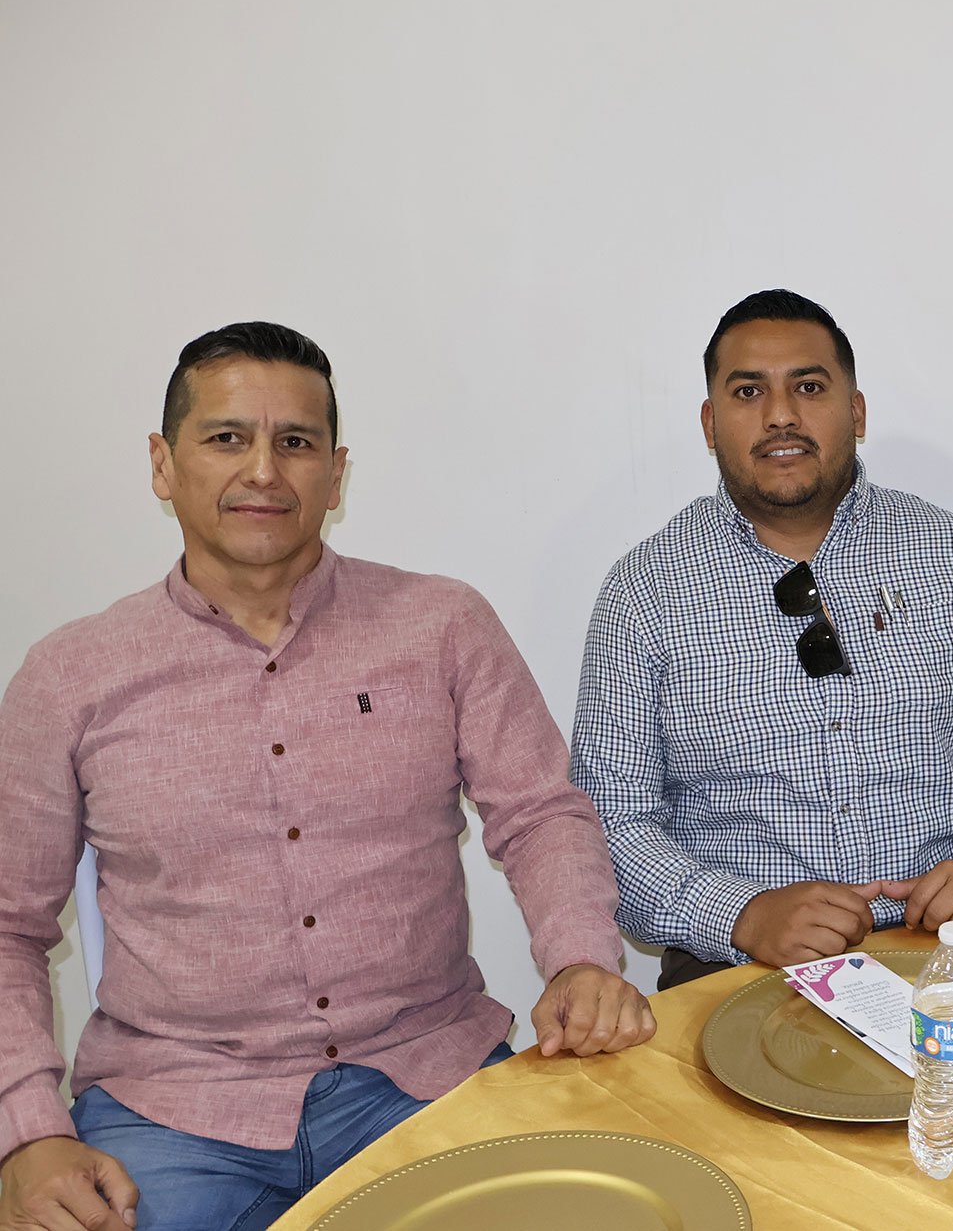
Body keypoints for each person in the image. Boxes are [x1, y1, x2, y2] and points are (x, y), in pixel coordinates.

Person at [0, 324, 654, 1231]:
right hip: (174, 1110)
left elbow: (542, 813)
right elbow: (7, 923)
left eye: (296, 442)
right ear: (162, 463)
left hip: (427, 1075)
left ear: (336, 474)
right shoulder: (70, 675)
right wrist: (27, 1131)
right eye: (227, 437)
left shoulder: (442, 624)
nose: (263, 470)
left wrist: (581, 959)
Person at [572, 289, 953, 984]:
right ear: (711, 423)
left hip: (950, 948)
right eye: (749, 391)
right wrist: (741, 914)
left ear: (856, 412)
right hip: (740, 965)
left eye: (809, 387)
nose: (781, 414)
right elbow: (609, 818)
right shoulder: (646, 590)